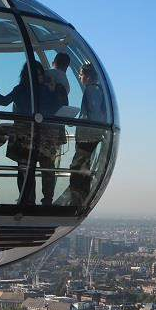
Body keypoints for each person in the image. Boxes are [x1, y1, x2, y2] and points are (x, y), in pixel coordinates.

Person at [0, 62, 65, 205]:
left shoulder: (21, 90)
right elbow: (57, 108)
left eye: (40, 74)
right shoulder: (44, 91)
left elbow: (4, 101)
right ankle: (39, 200)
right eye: (36, 74)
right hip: (42, 137)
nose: (38, 77)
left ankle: (30, 200)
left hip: (26, 137)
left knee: (28, 169)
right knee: (44, 168)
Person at [68, 62, 106, 205]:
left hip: (87, 137)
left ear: (88, 77)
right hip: (91, 135)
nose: (79, 76)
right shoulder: (99, 90)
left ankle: (76, 199)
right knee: (84, 167)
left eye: (81, 74)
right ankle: (81, 198)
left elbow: (94, 113)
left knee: (77, 167)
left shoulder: (91, 90)